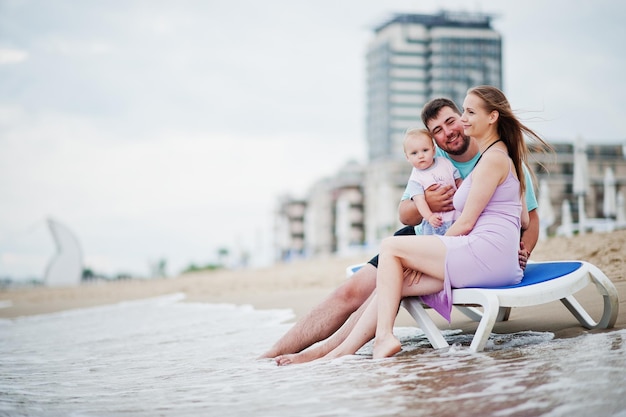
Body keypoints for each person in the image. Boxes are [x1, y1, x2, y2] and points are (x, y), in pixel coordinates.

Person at [260, 96, 540, 364]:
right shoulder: (430, 158)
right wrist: (427, 202)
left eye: (452, 121)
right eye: (437, 131)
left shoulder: (496, 159)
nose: (448, 133)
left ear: (463, 119)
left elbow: (528, 219)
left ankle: (332, 350)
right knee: (350, 292)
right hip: (422, 236)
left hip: (463, 246)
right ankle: (272, 355)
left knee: (384, 286)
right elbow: (405, 214)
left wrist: (523, 249)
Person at [403, 128, 462, 235]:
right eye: (414, 153)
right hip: (435, 222)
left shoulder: (445, 163)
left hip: (456, 216)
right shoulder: (415, 178)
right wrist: (429, 216)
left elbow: (458, 180)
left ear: (433, 150)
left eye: (425, 150)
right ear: (407, 157)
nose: (421, 156)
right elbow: (419, 201)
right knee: (435, 247)